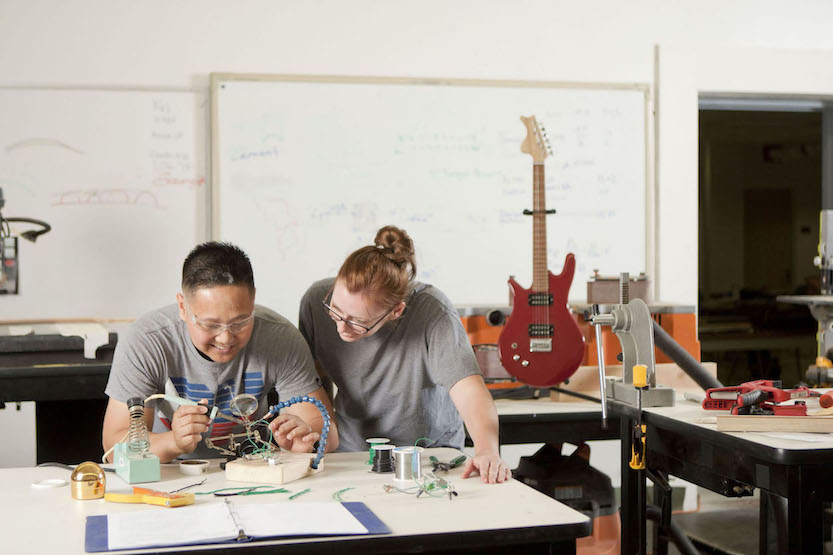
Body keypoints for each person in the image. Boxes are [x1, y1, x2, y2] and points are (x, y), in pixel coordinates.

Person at [299, 225, 511, 483]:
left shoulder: (433, 312)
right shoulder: (314, 301)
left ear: (396, 312)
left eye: (358, 321)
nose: (341, 327)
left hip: (428, 455)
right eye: (336, 310)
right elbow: (315, 383)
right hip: (353, 454)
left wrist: (487, 450)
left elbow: (469, 390)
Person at [103, 241, 338, 463]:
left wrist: (301, 445)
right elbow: (114, 449)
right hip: (170, 472)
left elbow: (327, 433)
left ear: (253, 300)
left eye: (240, 322)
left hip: (252, 468)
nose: (225, 338)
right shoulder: (147, 340)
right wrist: (173, 442)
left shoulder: (280, 339)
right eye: (210, 324)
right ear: (183, 307)